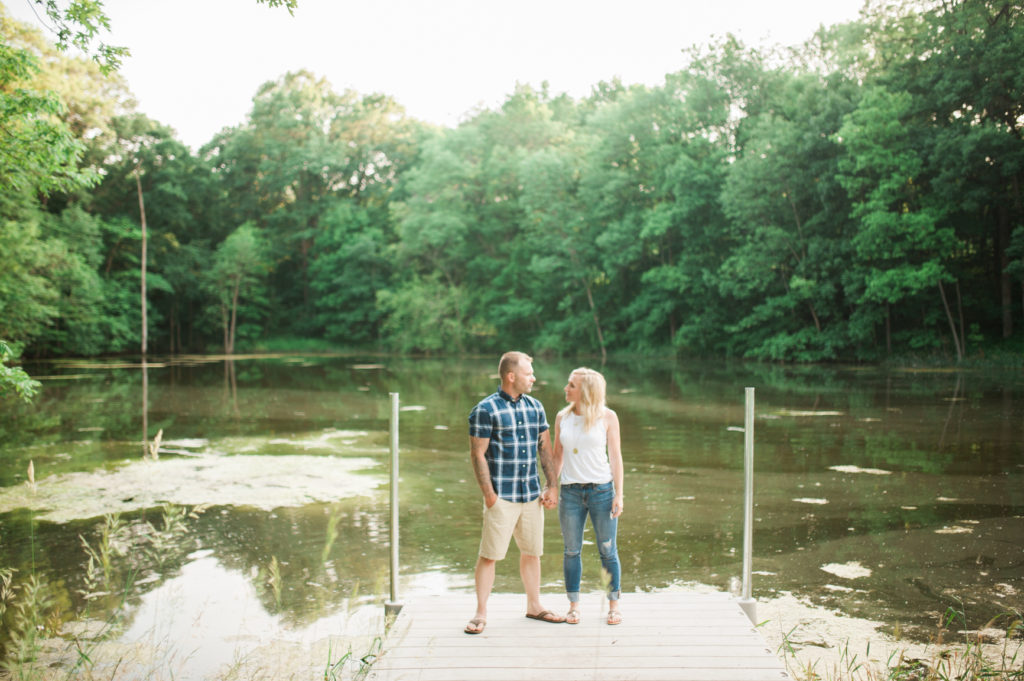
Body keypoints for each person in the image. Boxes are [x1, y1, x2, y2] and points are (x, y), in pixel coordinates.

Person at [464, 351, 564, 634]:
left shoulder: (536, 407)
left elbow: (545, 449)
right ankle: (480, 613)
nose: (533, 377)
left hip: (531, 494)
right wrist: (489, 495)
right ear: (511, 376)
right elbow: (478, 455)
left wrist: (552, 485)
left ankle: (534, 606)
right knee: (490, 554)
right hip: (502, 496)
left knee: (532, 553)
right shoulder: (485, 410)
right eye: (528, 373)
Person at [553, 367, 624, 625]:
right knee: (571, 551)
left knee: (608, 550)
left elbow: (615, 458)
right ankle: (574, 605)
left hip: (602, 492)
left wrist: (619, 495)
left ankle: (613, 606)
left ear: (585, 390)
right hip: (570, 492)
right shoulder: (563, 417)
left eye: (571, 385)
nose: (566, 388)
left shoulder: (608, 417)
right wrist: (551, 486)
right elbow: (557, 457)